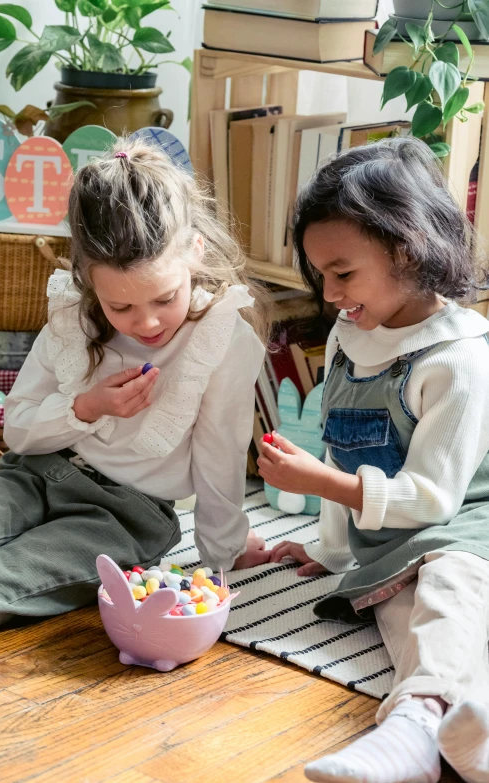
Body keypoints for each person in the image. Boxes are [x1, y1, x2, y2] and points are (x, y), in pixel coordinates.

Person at [0, 137, 270, 643]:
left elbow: (221, 453)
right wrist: (85, 407)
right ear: (88, 283)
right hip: (36, 472)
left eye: (164, 298)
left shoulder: (221, 338)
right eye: (120, 308)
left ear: (195, 253)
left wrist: (225, 551)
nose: (146, 322)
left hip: (125, 516)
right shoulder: (73, 319)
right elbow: (18, 432)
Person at [258, 137, 489, 783]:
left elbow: (435, 498)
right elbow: (341, 443)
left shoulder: (460, 358)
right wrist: (333, 550)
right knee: (395, 610)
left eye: (343, 272)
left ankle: (415, 726)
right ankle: (456, 731)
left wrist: (322, 481)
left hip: (470, 528)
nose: (329, 292)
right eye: (319, 275)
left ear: (406, 250)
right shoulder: (349, 335)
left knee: (447, 587)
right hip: (397, 541)